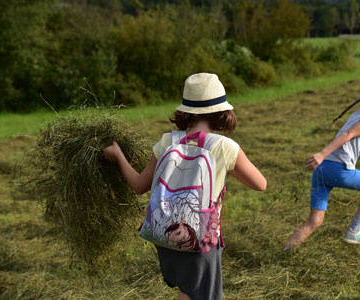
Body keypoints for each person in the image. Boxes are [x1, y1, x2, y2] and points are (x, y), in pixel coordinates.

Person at [103, 73, 267, 300]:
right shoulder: (225, 147)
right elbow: (261, 184)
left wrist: (119, 156)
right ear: (222, 112)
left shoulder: (167, 142)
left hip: (165, 235)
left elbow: (139, 185)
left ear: (186, 110)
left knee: (187, 290)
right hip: (201, 239)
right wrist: (229, 166)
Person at [285, 80, 360, 250]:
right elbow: (348, 134)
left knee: (315, 221)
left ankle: (287, 250)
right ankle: (355, 231)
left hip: (322, 170)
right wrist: (322, 153)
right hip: (338, 170)